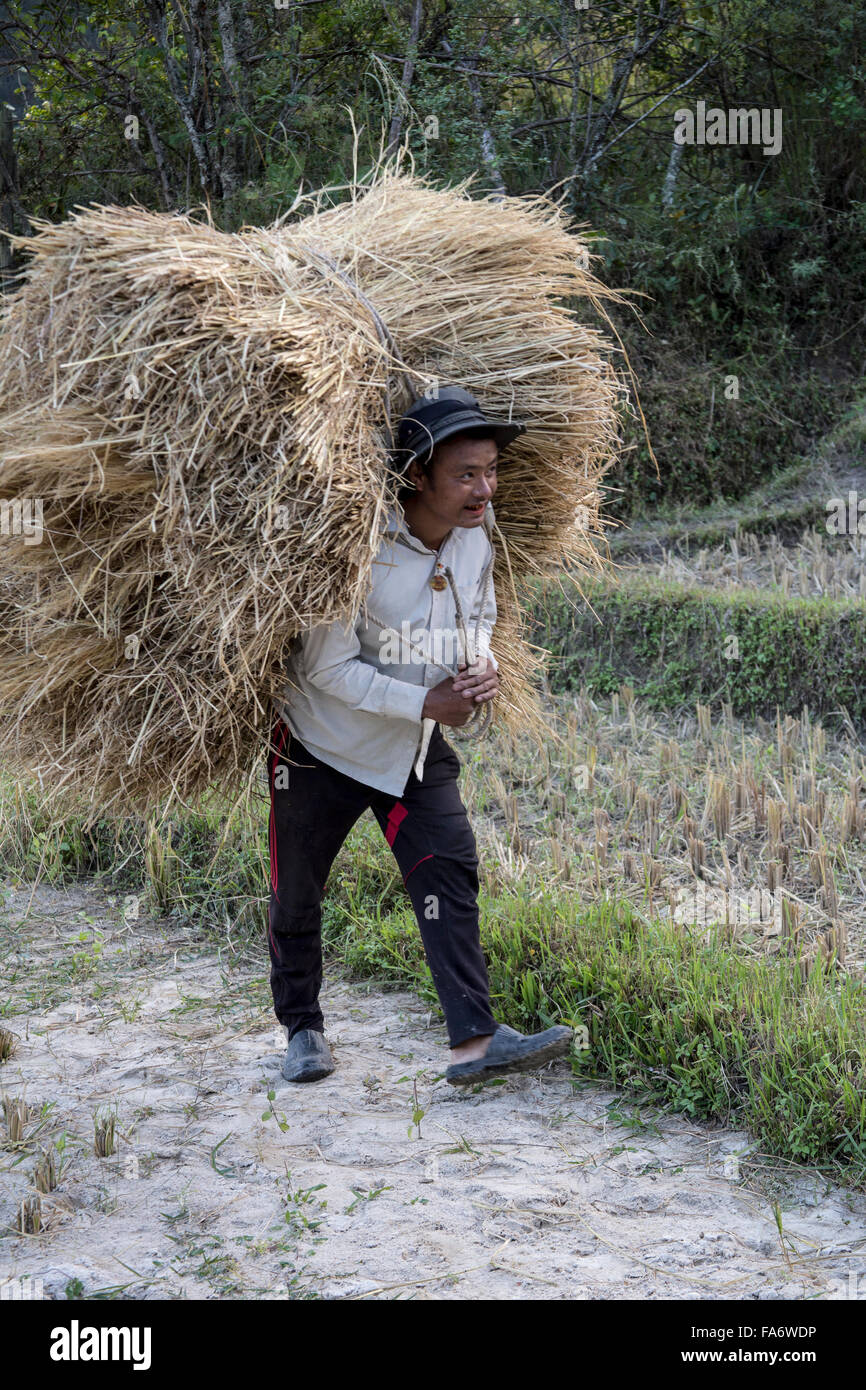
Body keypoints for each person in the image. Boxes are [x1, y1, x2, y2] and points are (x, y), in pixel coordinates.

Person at [266, 386, 573, 1085]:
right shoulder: (354, 552)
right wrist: (430, 701)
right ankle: (303, 1029)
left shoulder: (473, 540)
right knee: (298, 891)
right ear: (416, 478)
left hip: (409, 747)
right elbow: (326, 670)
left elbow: (482, 612)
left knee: (449, 867)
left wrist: (482, 663)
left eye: (491, 471)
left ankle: (473, 1041)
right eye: (467, 474)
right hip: (322, 746)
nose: (485, 489)